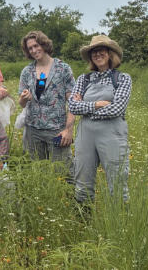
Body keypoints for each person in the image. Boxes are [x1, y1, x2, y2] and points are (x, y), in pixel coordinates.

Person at [68, 35, 131, 204]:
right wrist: (97, 105)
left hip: (112, 133)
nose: (97, 54)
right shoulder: (84, 79)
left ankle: (121, 224)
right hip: (85, 134)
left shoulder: (122, 78)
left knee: (117, 181)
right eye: (93, 52)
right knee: (82, 181)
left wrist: (86, 108)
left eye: (101, 50)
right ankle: (82, 223)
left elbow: (118, 108)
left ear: (111, 53)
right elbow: (73, 107)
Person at [18, 31, 76, 173]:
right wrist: (24, 98)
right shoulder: (27, 71)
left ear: (44, 45)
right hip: (33, 129)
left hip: (57, 130)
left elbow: (73, 103)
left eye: (36, 46)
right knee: (38, 172)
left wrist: (69, 130)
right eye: (30, 48)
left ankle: (69, 195)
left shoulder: (63, 69)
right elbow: (21, 103)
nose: (33, 50)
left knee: (63, 171)